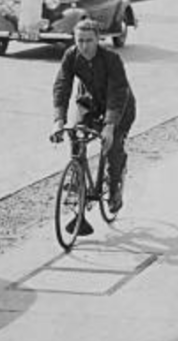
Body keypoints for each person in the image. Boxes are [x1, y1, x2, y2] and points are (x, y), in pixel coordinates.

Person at [52, 19, 136, 233]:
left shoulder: (111, 59)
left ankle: (115, 188)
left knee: (112, 146)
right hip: (89, 103)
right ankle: (77, 180)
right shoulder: (71, 55)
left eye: (89, 40)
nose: (84, 46)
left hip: (119, 107)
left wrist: (109, 126)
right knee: (76, 134)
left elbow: (118, 93)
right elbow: (62, 85)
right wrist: (58, 120)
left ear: (98, 39)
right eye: (80, 40)